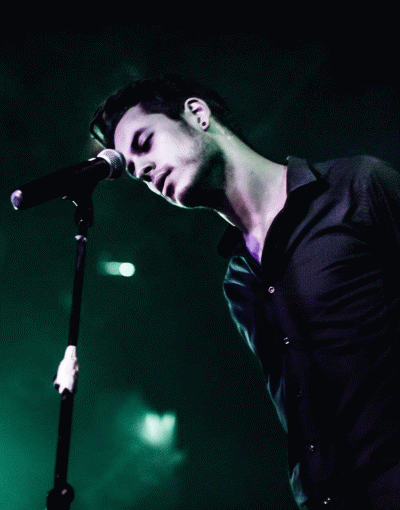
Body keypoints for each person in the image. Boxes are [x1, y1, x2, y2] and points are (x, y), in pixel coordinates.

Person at [90, 75, 400, 509]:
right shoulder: (239, 281)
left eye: (144, 143)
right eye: (135, 172)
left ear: (197, 114)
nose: (142, 170)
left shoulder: (358, 188)